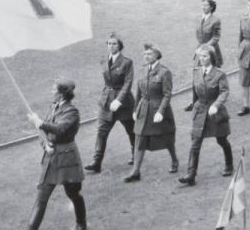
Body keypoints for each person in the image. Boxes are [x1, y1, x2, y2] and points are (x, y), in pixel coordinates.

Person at [16, 77, 87, 230]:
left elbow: (60, 128)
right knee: (42, 195)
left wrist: (39, 122)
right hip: (51, 156)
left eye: (53, 89)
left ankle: (81, 222)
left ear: (62, 94)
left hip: (67, 157)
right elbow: (45, 133)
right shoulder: (53, 107)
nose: (51, 91)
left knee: (73, 193)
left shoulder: (71, 111)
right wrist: (44, 144)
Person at [179, 45, 232, 187]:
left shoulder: (219, 74)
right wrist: (194, 106)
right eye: (200, 56)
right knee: (195, 143)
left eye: (205, 56)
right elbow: (195, 93)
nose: (202, 59)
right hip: (200, 111)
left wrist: (216, 105)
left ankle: (229, 164)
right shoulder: (196, 72)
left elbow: (224, 92)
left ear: (212, 58)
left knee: (221, 140)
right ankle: (191, 174)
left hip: (215, 112)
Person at [124, 43, 178, 182]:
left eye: (149, 54)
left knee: (167, 138)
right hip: (144, 109)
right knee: (139, 138)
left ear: (157, 55)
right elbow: (138, 93)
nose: (146, 56)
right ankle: (136, 171)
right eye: (145, 54)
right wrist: (135, 109)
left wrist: (161, 111)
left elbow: (167, 94)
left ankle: (174, 160)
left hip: (158, 110)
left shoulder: (164, 72)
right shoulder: (142, 71)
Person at [85, 34, 135, 174]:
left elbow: (128, 83)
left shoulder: (127, 62)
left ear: (119, 45)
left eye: (114, 44)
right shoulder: (103, 60)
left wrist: (119, 100)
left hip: (123, 104)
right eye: (109, 43)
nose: (111, 46)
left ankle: (135, 155)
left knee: (131, 130)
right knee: (101, 131)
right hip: (106, 102)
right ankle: (96, 162)